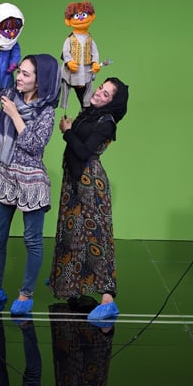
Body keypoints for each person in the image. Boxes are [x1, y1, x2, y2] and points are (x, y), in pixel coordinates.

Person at [0, 54, 62, 315]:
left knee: (32, 241)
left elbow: (34, 146)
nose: (19, 77)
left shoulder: (46, 113)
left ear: (40, 81)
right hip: (4, 175)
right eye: (19, 71)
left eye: (26, 74)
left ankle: (25, 294)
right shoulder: (9, 93)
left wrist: (15, 115)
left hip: (31, 181)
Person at [48, 78, 129, 322]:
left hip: (90, 182)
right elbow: (81, 88)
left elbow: (84, 151)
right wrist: (77, 68)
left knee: (96, 236)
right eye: (101, 88)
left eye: (106, 94)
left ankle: (108, 298)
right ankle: (72, 283)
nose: (99, 93)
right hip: (74, 179)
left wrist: (67, 132)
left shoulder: (107, 122)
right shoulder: (91, 113)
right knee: (72, 232)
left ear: (112, 102)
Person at [59, 0, 101, 111]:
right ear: (68, 21)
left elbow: (95, 52)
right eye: (77, 16)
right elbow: (65, 51)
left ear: (92, 16)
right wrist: (69, 61)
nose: (81, 19)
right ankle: (66, 105)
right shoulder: (70, 38)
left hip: (86, 70)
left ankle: (86, 107)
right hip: (73, 71)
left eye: (84, 15)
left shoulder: (90, 39)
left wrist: (95, 63)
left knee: (86, 91)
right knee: (68, 85)